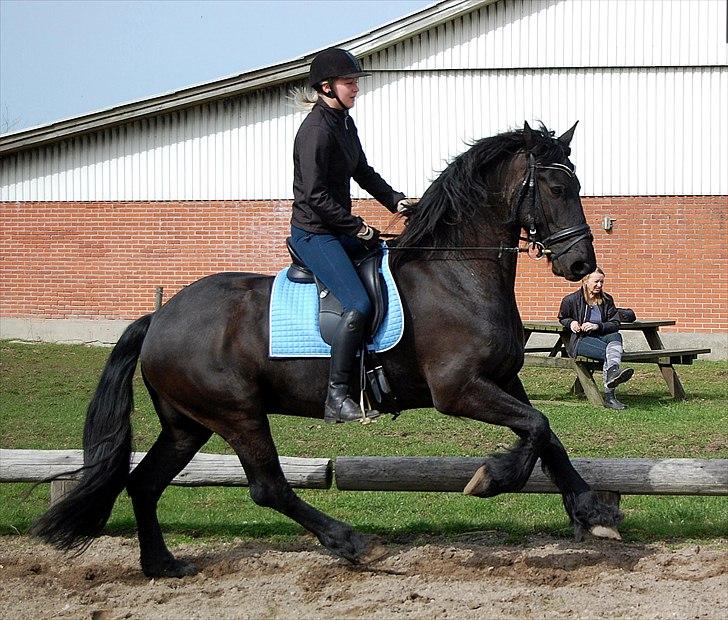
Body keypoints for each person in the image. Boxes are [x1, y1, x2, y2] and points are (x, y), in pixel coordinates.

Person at [289, 48, 412, 423]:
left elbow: (362, 171)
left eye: (356, 82)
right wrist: (357, 227)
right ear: (326, 86)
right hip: (315, 235)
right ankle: (337, 396)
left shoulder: (343, 123)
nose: (356, 88)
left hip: (337, 229)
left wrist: (397, 201)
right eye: (350, 82)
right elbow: (315, 196)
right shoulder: (314, 131)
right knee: (358, 303)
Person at [558, 267, 634, 409]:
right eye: (596, 282)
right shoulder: (571, 300)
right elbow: (563, 317)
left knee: (615, 336)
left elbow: (615, 323)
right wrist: (572, 323)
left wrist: (597, 326)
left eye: (602, 282)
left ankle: (612, 376)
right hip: (581, 340)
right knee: (611, 353)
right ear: (585, 281)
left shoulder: (606, 300)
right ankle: (610, 396)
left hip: (601, 335)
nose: (599, 285)